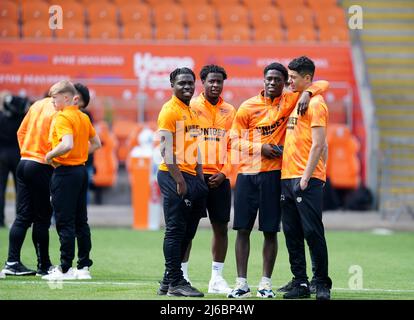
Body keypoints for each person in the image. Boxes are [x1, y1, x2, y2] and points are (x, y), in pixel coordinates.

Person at [228, 62, 329, 298]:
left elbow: (322, 83)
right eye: (268, 79)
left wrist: (307, 92)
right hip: (248, 173)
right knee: (242, 228)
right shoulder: (247, 107)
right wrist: (259, 148)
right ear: (263, 80)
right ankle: (241, 283)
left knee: (271, 230)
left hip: (276, 176)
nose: (272, 83)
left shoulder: (292, 100)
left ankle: (266, 283)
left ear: (285, 84)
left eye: (279, 80)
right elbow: (232, 141)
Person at [1, 83, 92, 277]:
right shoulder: (59, 113)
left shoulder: (37, 105)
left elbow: (21, 132)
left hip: (24, 161)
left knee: (23, 215)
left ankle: (12, 261)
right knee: (42, 218)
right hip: (42, 164)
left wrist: (27, 152)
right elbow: (61, 144)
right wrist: (50, 159)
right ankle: (44, 264)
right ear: (68, 97)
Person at [181, 65, 235, 294]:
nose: (215, 85)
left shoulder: (230, 111)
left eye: (219, 82)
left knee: (221, 228)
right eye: (211, 81)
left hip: (220, 179)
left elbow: (234, 146)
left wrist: (225, 173)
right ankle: (181, 275)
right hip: (195, 177)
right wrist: (196, 172)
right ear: (202, 82)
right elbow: (183, 142)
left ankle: (217, 278)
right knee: (186, 229)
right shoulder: (190, 106)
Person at [280, 56, 332, 300]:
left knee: (312, 232)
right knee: (291, 233)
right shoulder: (296, 99)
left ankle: (321, 283)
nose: (289, 81)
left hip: (304, 179)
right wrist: (306, 92)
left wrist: (306, 178)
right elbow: (325, 82)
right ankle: (300, 282)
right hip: (286, 177)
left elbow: (319, 145)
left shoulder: (316, 104)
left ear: (307, 78)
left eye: (293, 77)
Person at [156, 67, 208, 297]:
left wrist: (199, 175)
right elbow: (165, 149)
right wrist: (179, 180)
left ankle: (168, 281)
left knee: (188, 231)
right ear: (172, 85)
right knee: (175, 230)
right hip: (173, 174)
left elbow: (195, 146)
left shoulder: (192, 111)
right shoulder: (169, 110)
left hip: (191, 176)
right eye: (181, 83)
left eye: (190, 83)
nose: (187, 87)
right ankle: (176, 281)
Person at [41, 80, 101, 281]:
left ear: (66, 97)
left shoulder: (63, 117)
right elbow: (97, 143)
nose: (52, 102)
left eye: (55, 98)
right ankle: (83, 267)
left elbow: (66, 144)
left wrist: (49, 156)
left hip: (65, 173)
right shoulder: (83, 117)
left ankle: (65, 268)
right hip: (81, 172)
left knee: (64, 221)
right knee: (80, 221)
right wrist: (81, 154)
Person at [0, 92, 28, 227]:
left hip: (2, 155)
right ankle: (20, 219)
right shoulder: (21, 118)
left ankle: (0, 220)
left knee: (0, 189)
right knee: (21, 189)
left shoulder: (1, 117)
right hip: (18, 155)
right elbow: (23, 106)